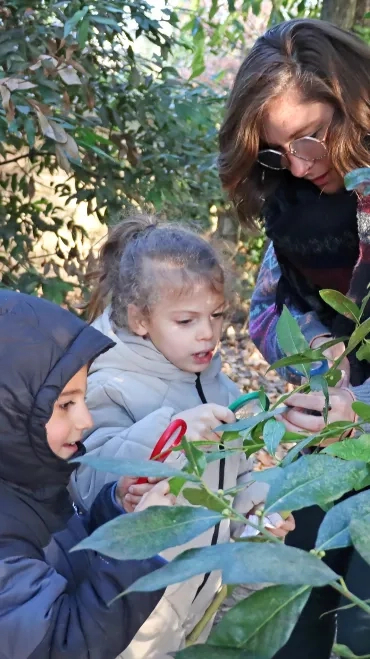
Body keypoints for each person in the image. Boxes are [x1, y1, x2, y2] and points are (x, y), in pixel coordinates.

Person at [70, 213, 294, 659]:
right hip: (140, 607)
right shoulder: (106, 381)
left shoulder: (214, 382)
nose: (208, 333)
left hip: (201, 593)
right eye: (187, 320)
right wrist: (175, 433)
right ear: (140, 319)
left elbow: (234, 475)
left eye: (215, 315)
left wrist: (258, 513)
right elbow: (91, 478)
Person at [218, 17, 370, 659]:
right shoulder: (290, 198)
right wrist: (325, 368)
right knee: (297, 598)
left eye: (313, 137)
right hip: (334, 433)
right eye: (281, 151)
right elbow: (266, 312)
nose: (302, 166)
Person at [0, 289, 177, 659]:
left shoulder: (26, 478)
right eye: (65, 404)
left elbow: (62, 553)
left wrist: (114, 512)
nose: (86, 420)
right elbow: (60, 645)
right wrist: (135, 543)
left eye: (82, 399)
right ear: (10, 414)